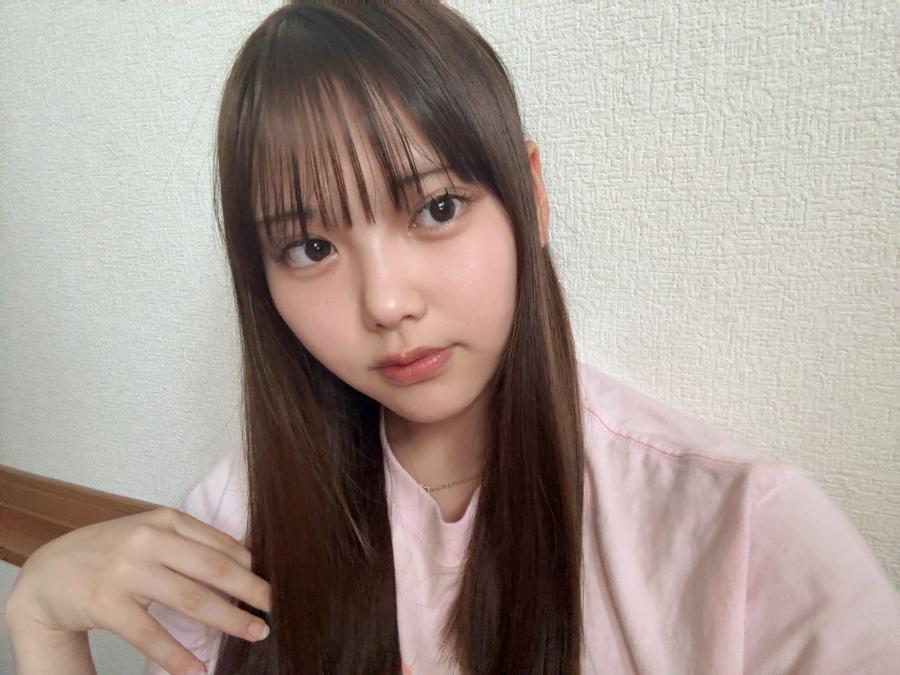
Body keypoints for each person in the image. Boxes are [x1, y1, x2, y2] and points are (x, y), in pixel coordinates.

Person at [5, 2, 900, 674]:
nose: (387, 302)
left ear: (531, 196)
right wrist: (41, 621)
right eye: (310, 247)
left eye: (436, 207)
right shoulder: (236, 522)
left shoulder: (740, 533)